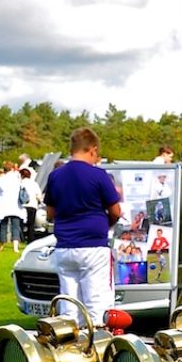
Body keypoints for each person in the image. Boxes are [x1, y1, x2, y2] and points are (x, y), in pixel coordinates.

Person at [44, 127, 123, 323]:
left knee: (69, 306)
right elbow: (115, 211)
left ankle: (68, 346)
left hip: (65, 246)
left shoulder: (55, 176)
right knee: (96, 304)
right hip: (93, 246)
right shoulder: (98, 175)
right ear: (93, 150)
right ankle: (97, 346)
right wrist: (108, 224)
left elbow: (50, 213)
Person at [0, 161, 24, 252]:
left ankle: (1, 245)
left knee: (3, 225)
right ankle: (15, 247)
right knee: (15, 226)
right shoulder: (17, 179)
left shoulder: (0, 180)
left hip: (3, 204)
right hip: (15, 204)